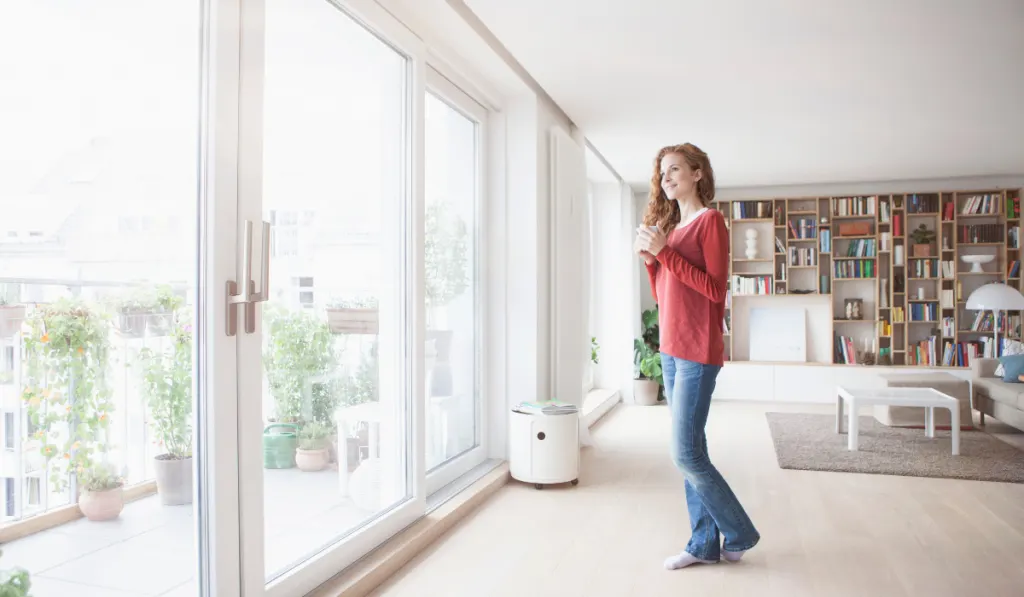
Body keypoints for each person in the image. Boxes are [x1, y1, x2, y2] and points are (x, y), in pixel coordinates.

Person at [634, 143, 759, 570]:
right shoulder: (675, 226)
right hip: (670, 349)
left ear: (697, 174)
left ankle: (740, 532)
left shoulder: (710, 221)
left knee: (684, 453)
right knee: (694, 446)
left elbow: (714, 291)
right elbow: (666, 296)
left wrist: (665, 252)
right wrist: (652, 261)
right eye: (661, 172)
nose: (666, 178)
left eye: (674, 170)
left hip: (696, 351)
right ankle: (704, 543)